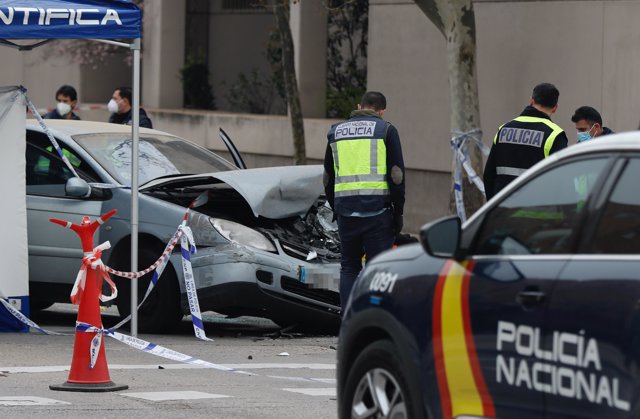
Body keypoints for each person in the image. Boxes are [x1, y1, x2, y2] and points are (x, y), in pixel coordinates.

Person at [323, 91, 405, 310]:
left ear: (359, 106)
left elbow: (328, 177)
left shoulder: (336, 132)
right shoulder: (386, 130)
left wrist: (336, 207)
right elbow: (396, 175)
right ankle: (373, 324)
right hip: (378, 213)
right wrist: (398, 213)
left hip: (346, 213)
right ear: (382, 111)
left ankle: (349, 324)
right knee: (377, 269)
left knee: (349, 268)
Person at [483, 82, 568, 200]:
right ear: (555, 108)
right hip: (537, 213)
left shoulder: (503, 129)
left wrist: (493, 209)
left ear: (531, 101)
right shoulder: (555, 134)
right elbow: (562, 181)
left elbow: (489, 175)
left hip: (504, 212)